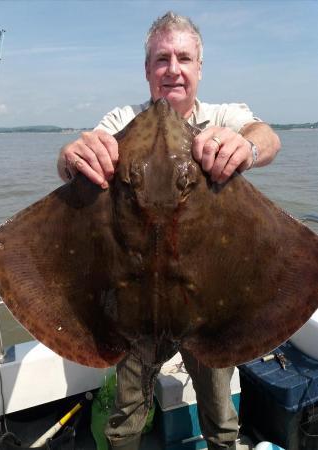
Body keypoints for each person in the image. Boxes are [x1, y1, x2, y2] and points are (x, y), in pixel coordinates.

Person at [57, 12, 281, 450]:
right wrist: (71, 155)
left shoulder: (222, 116)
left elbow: (266, 136)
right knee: (124, 420)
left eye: (183, 58)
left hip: (206, 303)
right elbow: (74, 159)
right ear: (147, 71)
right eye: (161, 59)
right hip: (134, 306)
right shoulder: (123, 120)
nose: (172, 69)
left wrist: (248, 147)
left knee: (221, 416)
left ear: (199, 68)